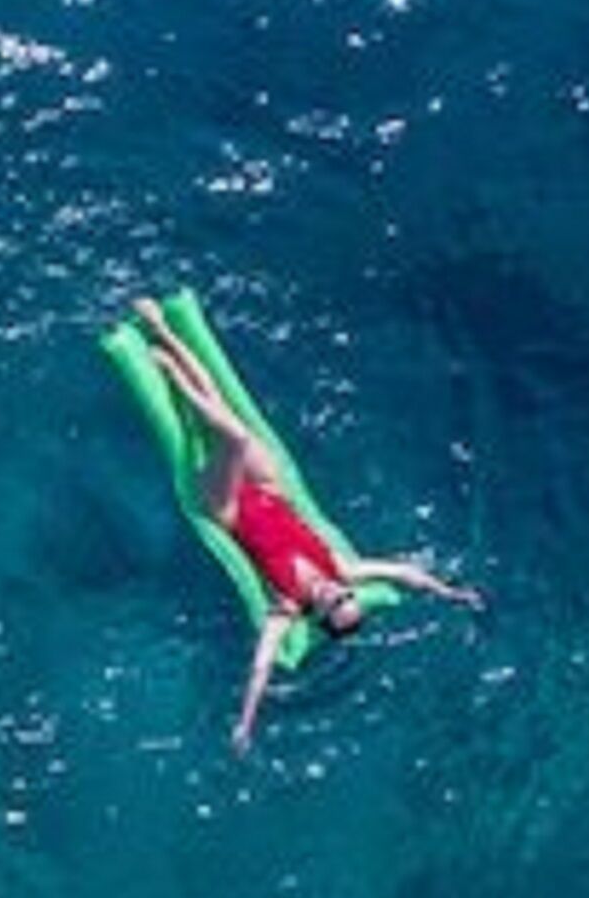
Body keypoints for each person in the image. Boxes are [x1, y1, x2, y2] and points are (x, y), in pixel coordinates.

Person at [133, 297, 484, 750]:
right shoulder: (343, 569)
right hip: (266, 490)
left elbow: (261, 664)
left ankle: (171, 374)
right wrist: (451, 593)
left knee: (235, 438)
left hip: (227, 508)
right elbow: (402, 572)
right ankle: (162, 331)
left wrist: (246, 722)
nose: (333, 592)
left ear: (318, 616)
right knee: (224, 408)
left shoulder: (286, 607)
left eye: (332, 603)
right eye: (344, 596)